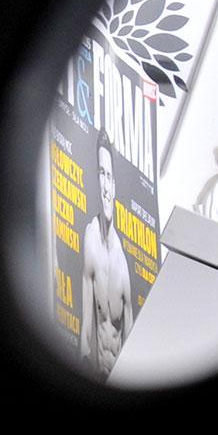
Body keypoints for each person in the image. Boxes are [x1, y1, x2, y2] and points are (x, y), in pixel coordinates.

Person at [80, 132, 134, 378]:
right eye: (101, 173)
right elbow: (86, 329)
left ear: (114, 185)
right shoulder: (91, 238)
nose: (105, 186)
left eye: (109, 176)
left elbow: (133, 349)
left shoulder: (122, 264)